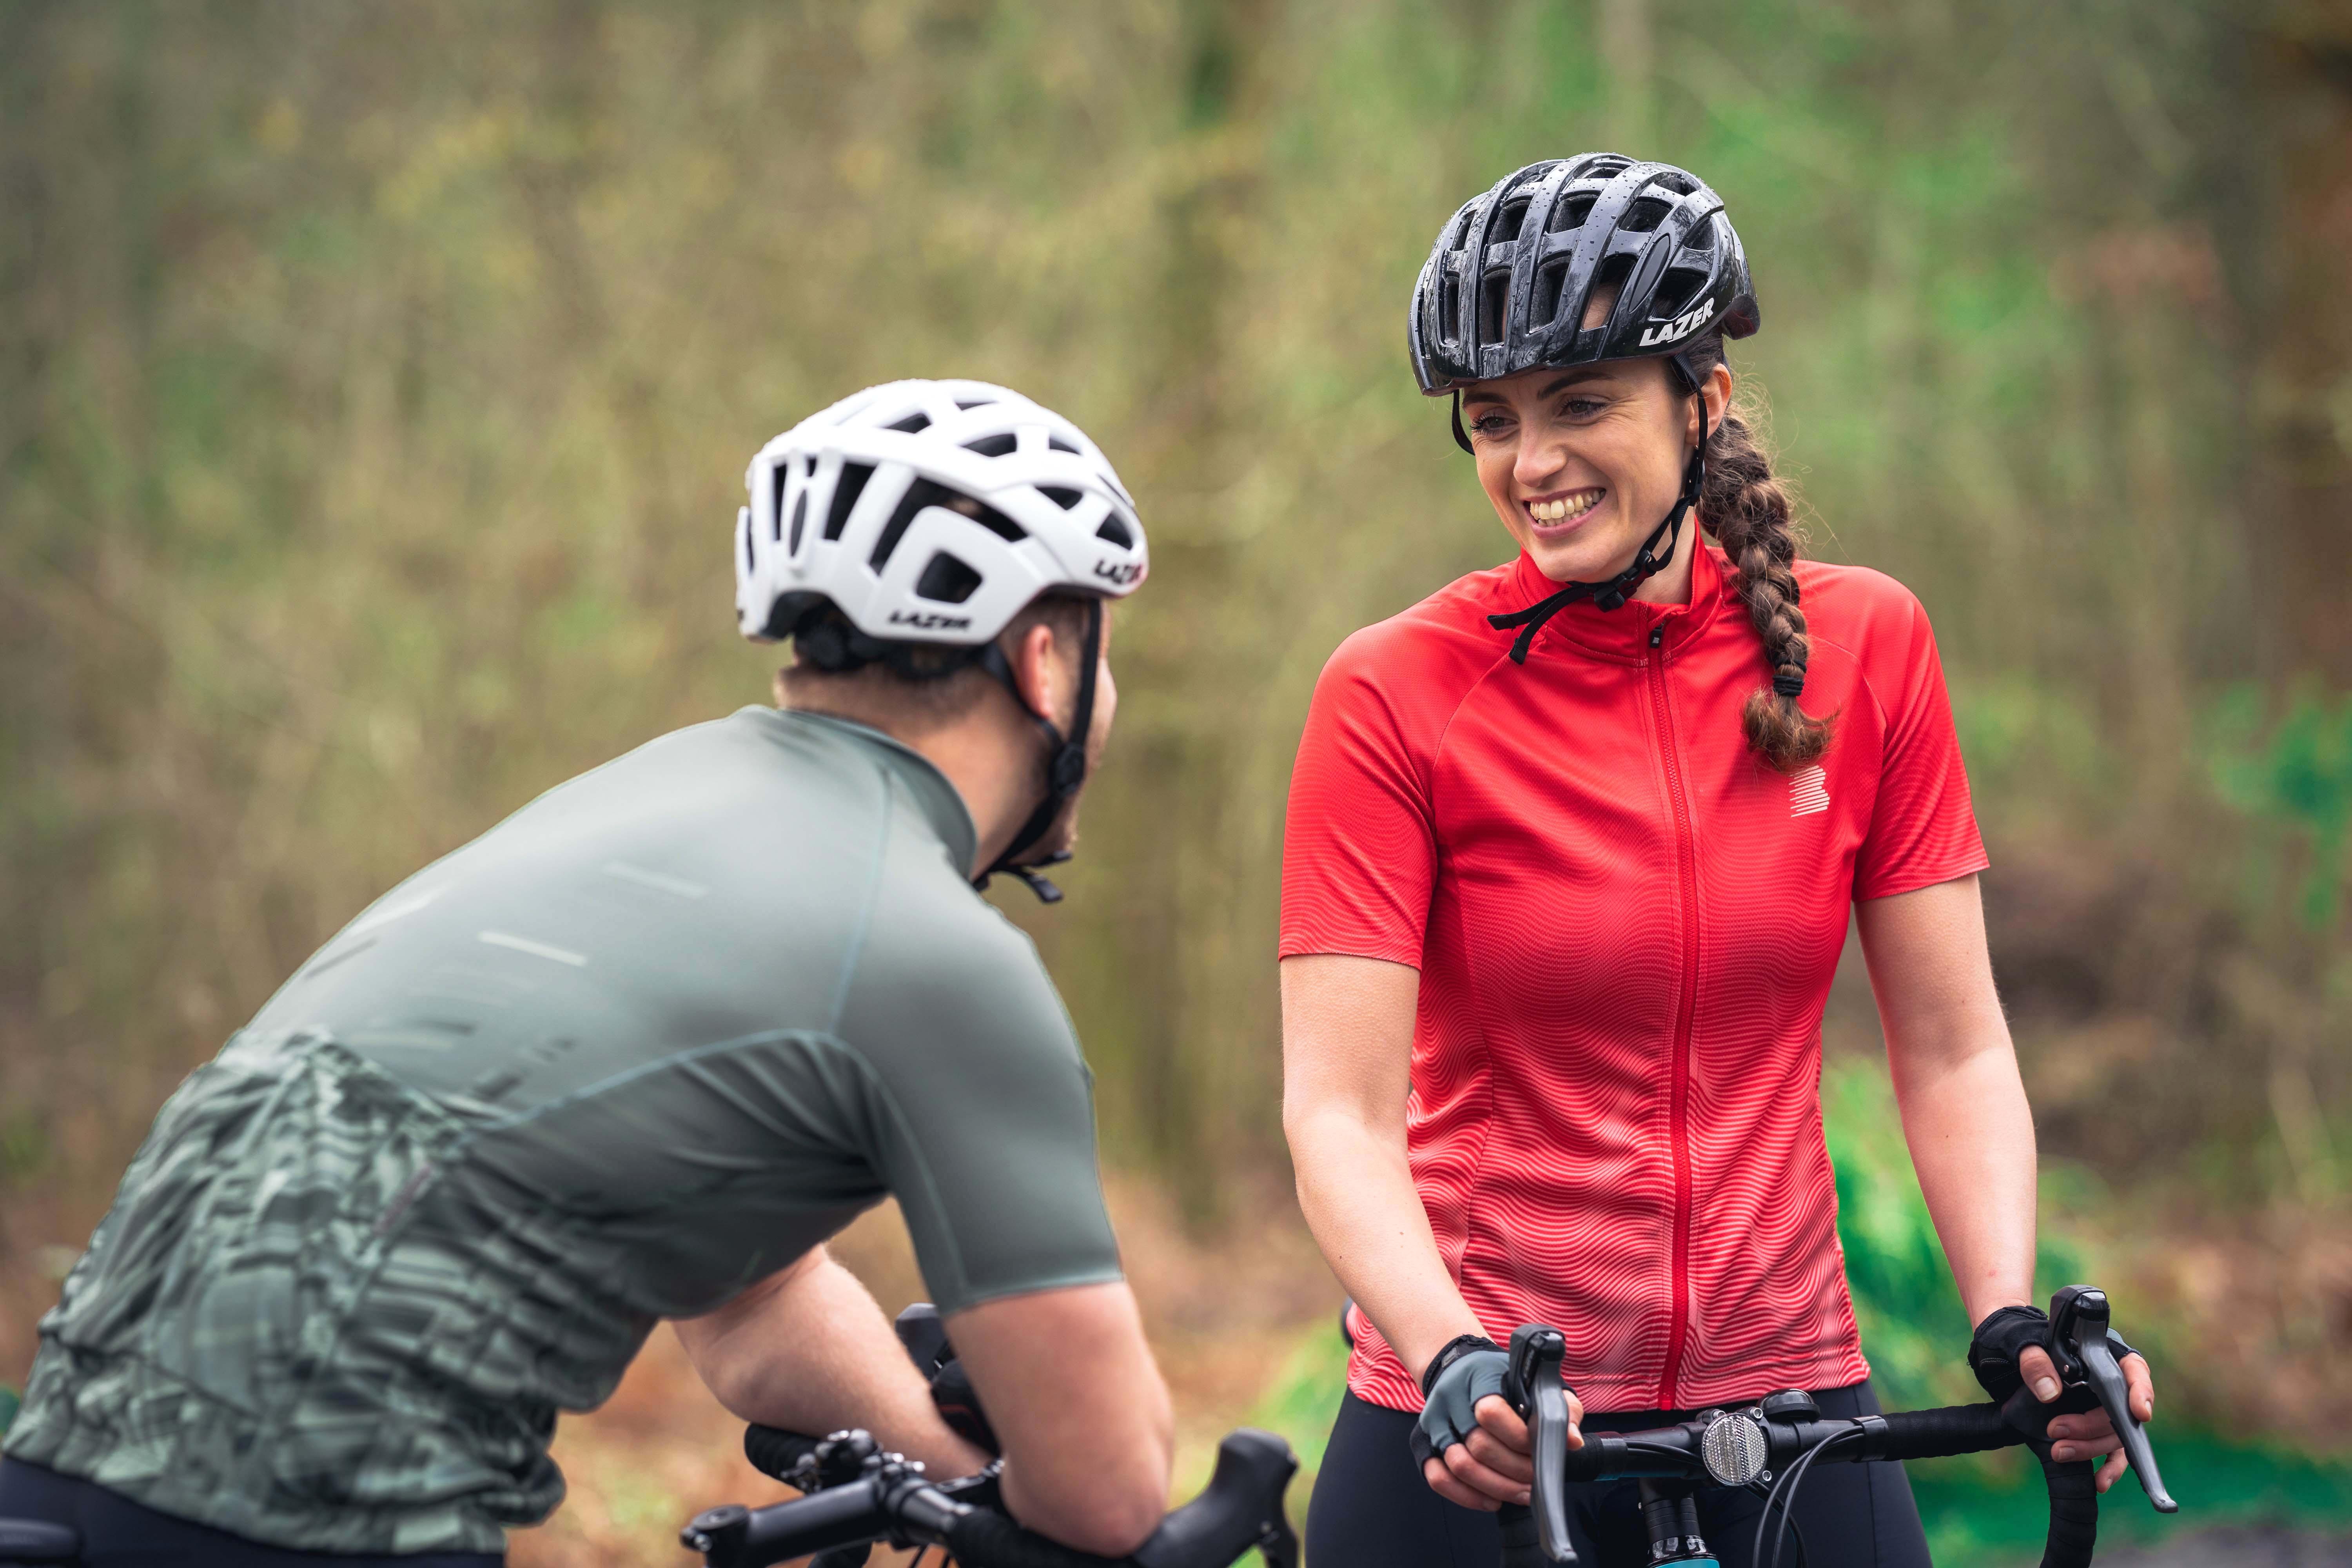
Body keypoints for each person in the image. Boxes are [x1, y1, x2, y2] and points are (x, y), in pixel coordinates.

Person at [0, 380, 1173, 1566]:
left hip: (59, 1478)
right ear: (1042, 663)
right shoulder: (938, 952)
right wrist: (1038, 1490)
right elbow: (1109, 1501)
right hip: (317, 1523)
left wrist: (944, 1467)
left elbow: (745, 1301)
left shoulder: (647, 803)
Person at [1278, 155, 2158, 1568]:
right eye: (1492, 421)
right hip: (1487, 1427)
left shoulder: (1869, 645)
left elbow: (1952, 1048)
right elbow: (1337, 1115)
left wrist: (2005, 1314)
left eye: (1582, 404)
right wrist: (1452, 1356)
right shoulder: (1396, 691)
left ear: (1707, 403)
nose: (1532, 463)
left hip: (1794, 1410)